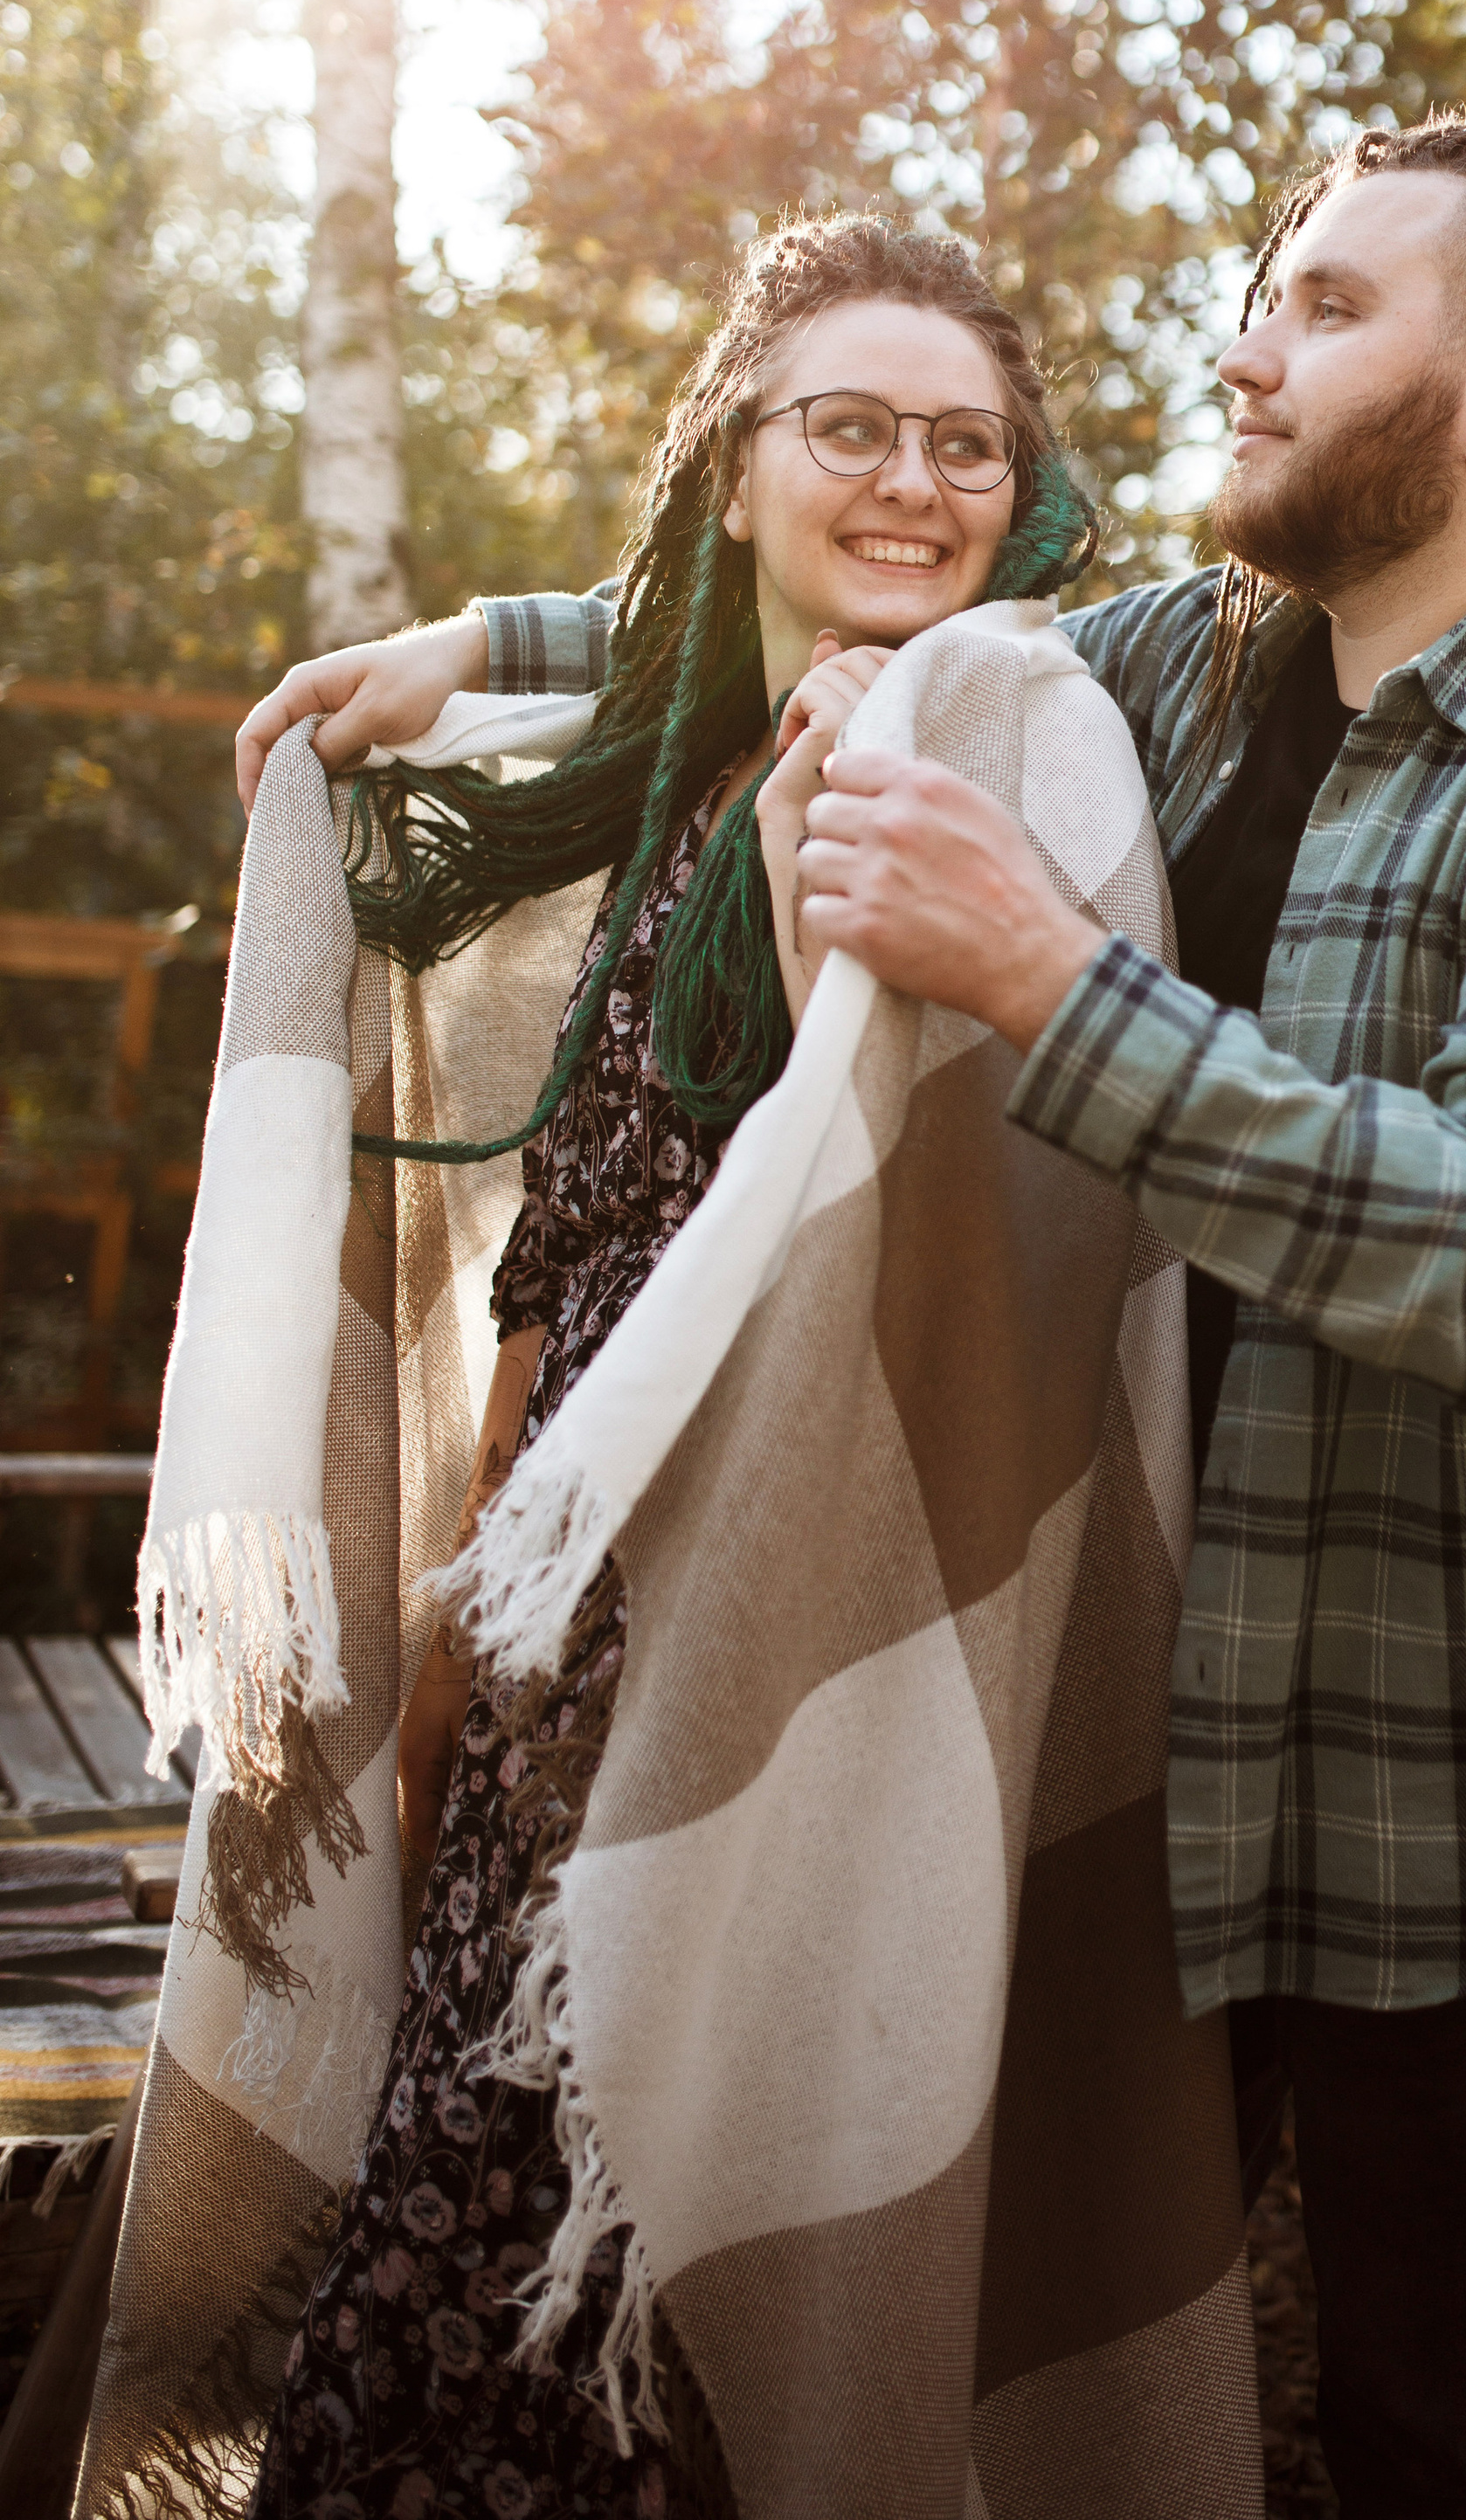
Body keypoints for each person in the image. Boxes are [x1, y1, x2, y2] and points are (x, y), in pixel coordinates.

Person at [243, 114, 1466, 2520]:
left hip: (1448, 1769)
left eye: (1322, 307)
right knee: (1049, 2353)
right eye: (1261, 293)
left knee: (1440, 2416)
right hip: (1119, 1709)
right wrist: (486, 646)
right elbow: (866, 607)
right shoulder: (1197, 669)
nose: (1244, 346)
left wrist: (1047, 983)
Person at [243, 213, 1094, 2518]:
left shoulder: (1004, 738)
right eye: (850, 428)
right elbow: (571, 1271)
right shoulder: (691, 783)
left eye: (968, 444)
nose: (916, 481)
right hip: (552, 1686)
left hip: (775, 1693)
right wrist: (445, 1676)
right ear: (735, 471)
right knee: (446, 2316)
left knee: (675, 2339)